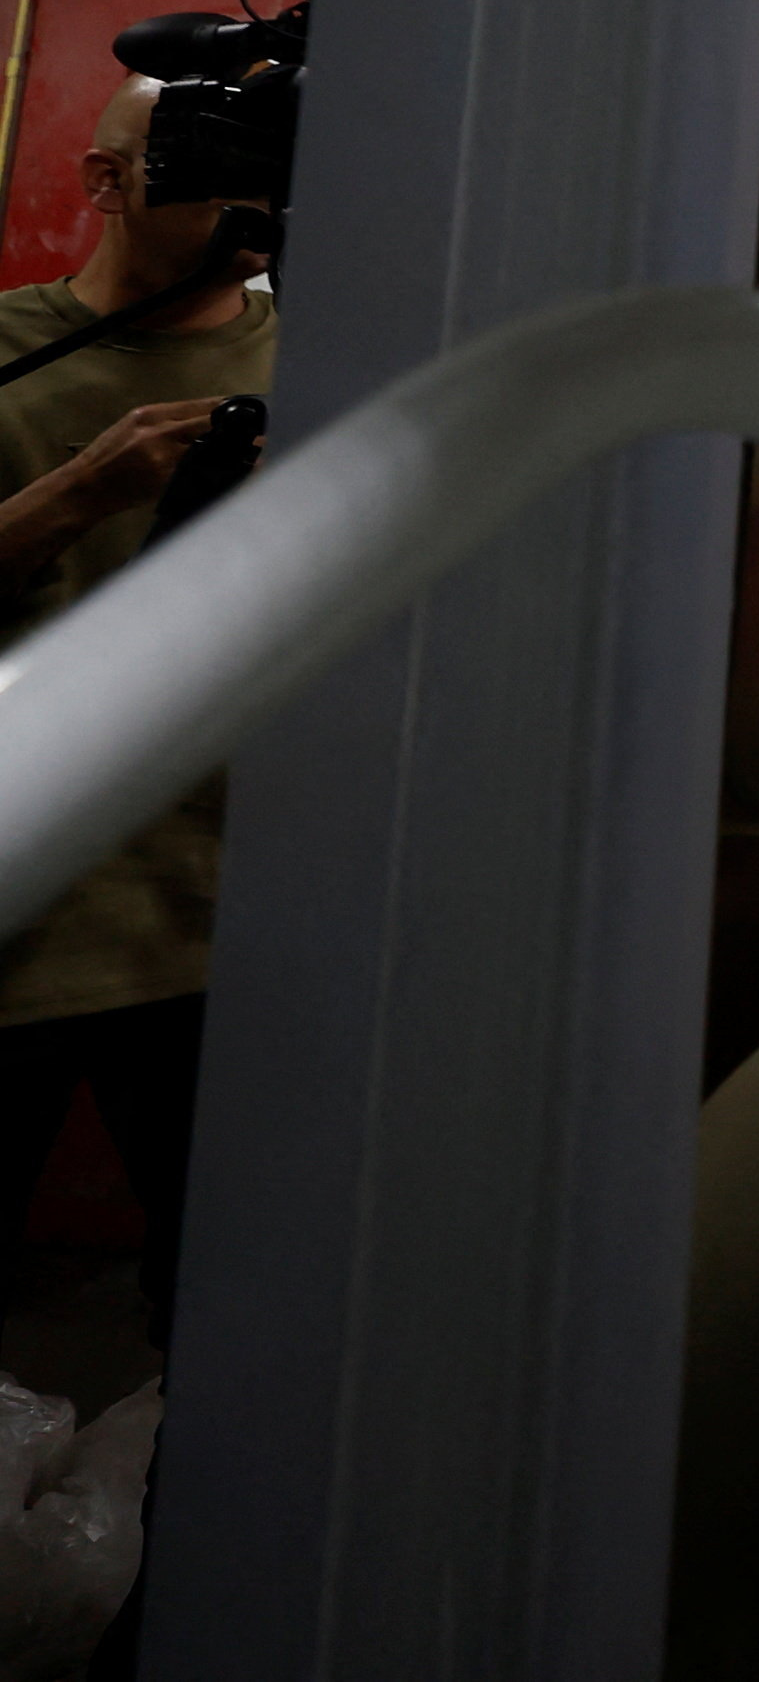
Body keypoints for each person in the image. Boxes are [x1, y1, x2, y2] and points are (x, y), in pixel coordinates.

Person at [0, 74, 275, 1349]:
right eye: (203, 158)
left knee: (227, 1328)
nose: (245, 190)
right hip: (30, 920)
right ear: (107, 181)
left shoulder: (329, 355)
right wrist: (74, 493)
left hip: (228, 928)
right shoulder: (14, 352)